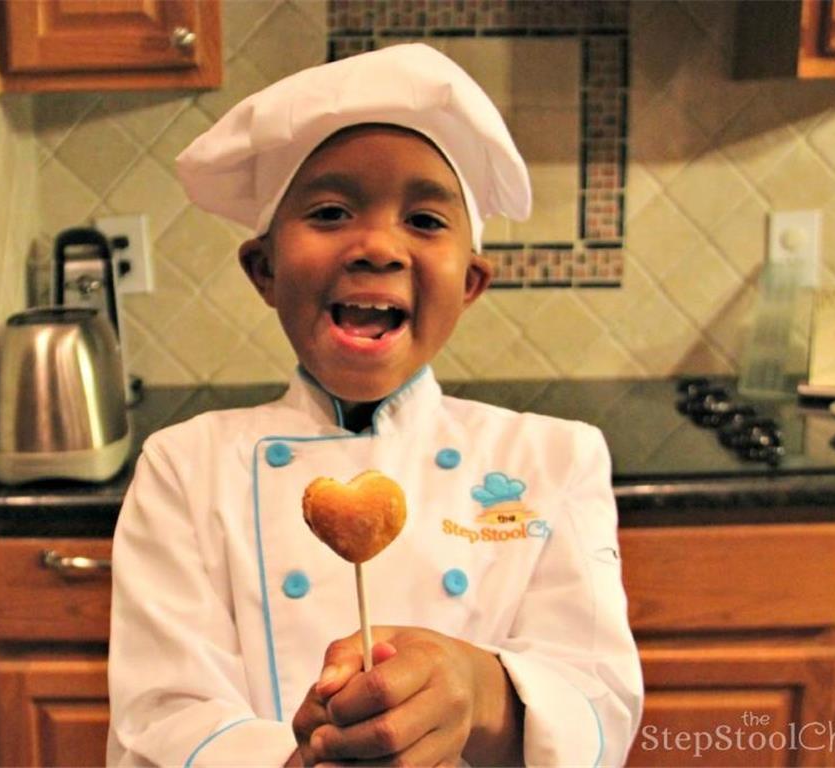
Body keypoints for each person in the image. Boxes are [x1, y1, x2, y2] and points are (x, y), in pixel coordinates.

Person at [107, 43, 643, 767]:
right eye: (330, 212)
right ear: (263, 269)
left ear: (472, 282)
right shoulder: (184, 468)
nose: (377, 247)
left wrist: (481, 695)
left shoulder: (554, 461)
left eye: (424, 220)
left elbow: (600, 705)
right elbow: (161, 718)